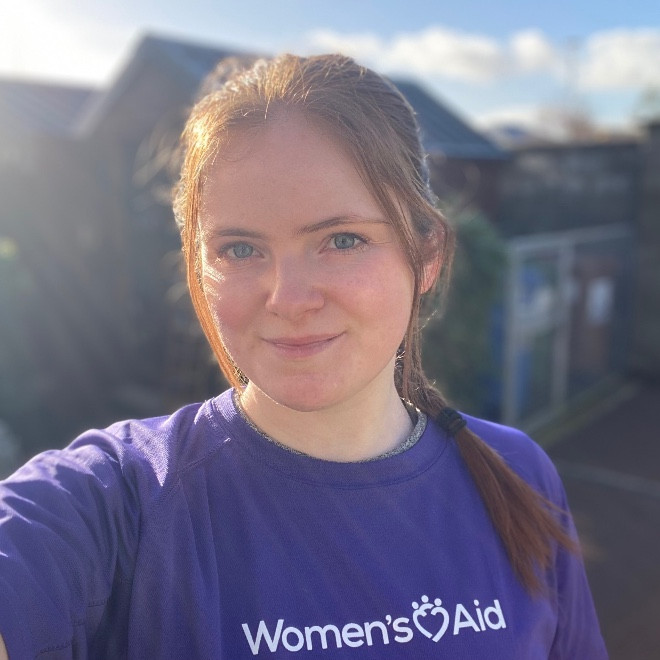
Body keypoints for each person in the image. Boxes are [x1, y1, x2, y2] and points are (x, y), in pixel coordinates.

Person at [0, 53, 606, 658]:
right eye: (240, 250)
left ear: (426, 257)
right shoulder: (119, 502)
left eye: (342, 240)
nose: (288, 300)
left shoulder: (517, 473)